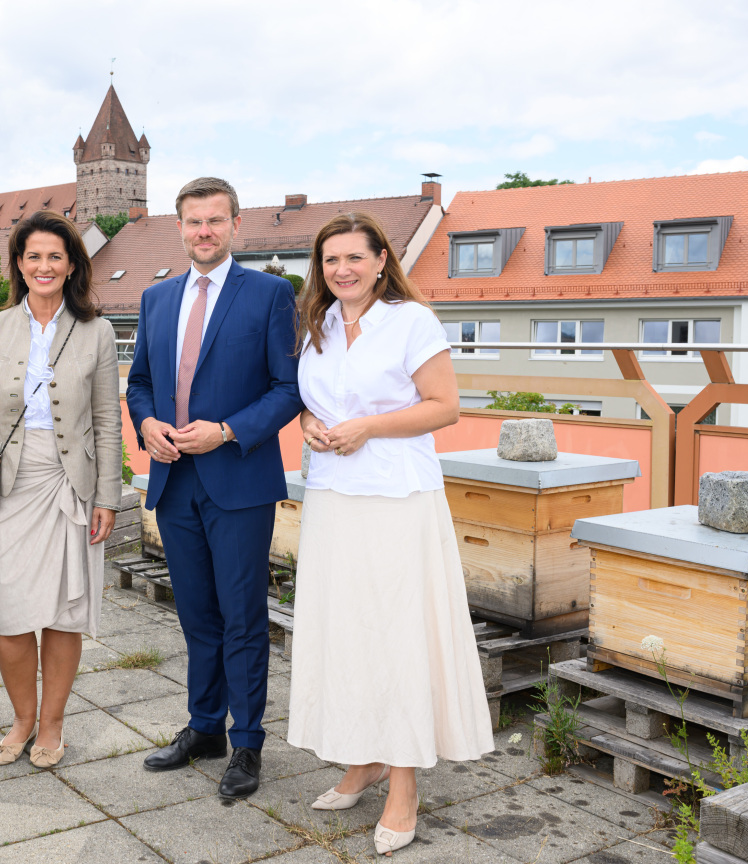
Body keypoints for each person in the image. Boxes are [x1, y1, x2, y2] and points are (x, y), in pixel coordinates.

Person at [287, 212, 495, 855]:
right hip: (330, 496)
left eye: (355, 258)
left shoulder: (412, 320)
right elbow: (310, 399)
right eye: (330, 260)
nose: (342, 270)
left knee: (396, 634)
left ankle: (403, 783)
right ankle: (364, 758)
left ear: (382, 260)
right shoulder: (316, 324)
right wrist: (310, 424)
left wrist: (368, 428)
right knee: (346, 632)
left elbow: (445, 406)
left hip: (396, 497)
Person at [126, 177, 302, 800]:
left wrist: (227, 431)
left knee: (243, 619)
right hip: (174, 481)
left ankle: (248, 741)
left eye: (215, 221)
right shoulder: (157, 298)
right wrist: (146, 422)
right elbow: (140, 379)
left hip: (239, 481)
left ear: (235, 225)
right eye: (193, 221)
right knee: (197, 615)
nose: (204, 231)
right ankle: (205, 728)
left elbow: (288, 389)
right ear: (179, 226)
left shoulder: (272, 295)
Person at [0, 209, 121, 770]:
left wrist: (107, 497)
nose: (44, 266)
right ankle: (21, 718)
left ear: (71, 264)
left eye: (55, 256)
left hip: (71, 482)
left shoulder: (97, 331)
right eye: (33, 257)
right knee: (12, 612)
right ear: (19, 265)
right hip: (10, 485)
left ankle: (52, 725)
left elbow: (107, 421)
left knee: (62, 613)